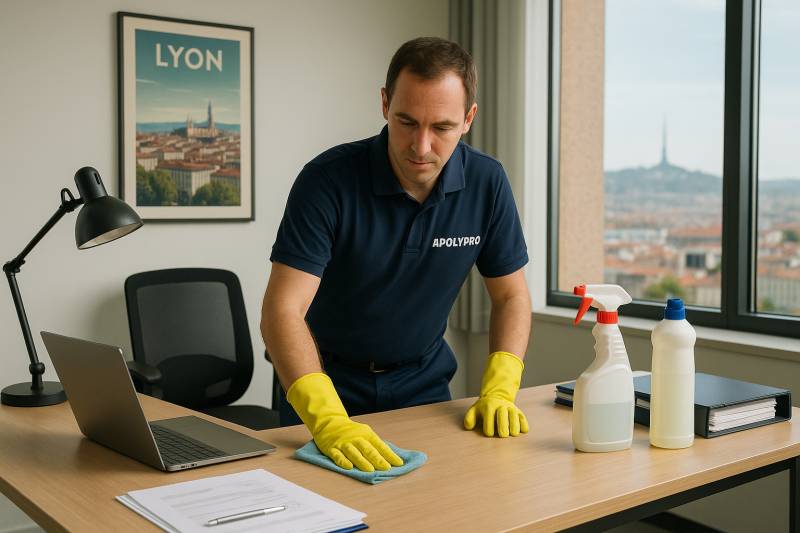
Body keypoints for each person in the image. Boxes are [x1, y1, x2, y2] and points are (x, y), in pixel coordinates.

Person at [261, 37, 531, 473]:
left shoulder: (487, 182)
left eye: (441, 128)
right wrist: (328, 420)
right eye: (406, 122)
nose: (420, 147)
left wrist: (501, 388)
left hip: (423, 385)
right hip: (325, 386)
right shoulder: (326, 181)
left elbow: (511, 296)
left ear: (468, 119)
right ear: (385, 104)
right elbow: (282, 311)